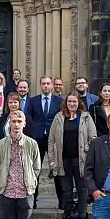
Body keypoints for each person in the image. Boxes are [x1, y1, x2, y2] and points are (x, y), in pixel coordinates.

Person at [48, 92, 96, 219]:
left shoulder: (86, 117)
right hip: (64, 160)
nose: (72, 104)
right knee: (67, 190)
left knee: (82, 190)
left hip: (81, 159)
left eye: (74, 101)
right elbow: (51, 139)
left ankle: (81, 217)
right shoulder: (59, 117)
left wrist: (88, 154)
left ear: (79, 102)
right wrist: (52, 159)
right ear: (66, 103)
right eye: (69, 101)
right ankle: (68, 217)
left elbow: (93, 137)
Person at [29, 76, 62, 209]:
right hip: (37, 139)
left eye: (48, 83)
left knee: (57, 170)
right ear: (40, 85)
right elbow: (29, 119)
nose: (46, 86)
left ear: (52, 85)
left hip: (53, 139)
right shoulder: (33, 101)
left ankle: (62, 201)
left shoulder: (59, 101)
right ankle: (33, 200)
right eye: (43, 84)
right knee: (35, 170)